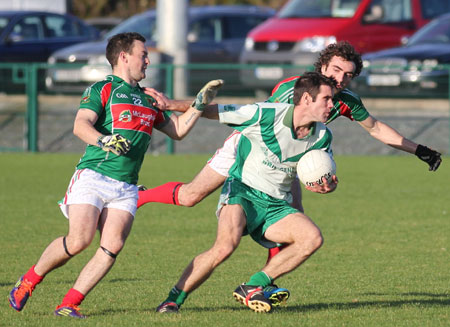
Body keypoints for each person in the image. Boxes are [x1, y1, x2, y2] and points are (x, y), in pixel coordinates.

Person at [137, 41, 442, 305]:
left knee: (298, 219)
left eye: (349, 74)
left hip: (290, 159)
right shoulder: (295, 91)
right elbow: (251, 118)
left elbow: (375, 127)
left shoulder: (343, 103)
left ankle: (259, 285)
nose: (342, 78)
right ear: (323, 66)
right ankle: (142, 196)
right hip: (249, 148)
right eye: (337, 70)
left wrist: (418, 149)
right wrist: (172, 105)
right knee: (192, 197)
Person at [7, 32, 223, 319]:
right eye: (142, 54)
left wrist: (198, 105)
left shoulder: (148, 97)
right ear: (124, 57)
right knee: (79, 240)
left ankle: (69, 303)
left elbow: (178, 131)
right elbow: (81, 125)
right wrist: (103, 140)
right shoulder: (103, 89)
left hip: (126, 187)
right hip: (93, 175)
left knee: (112, 247)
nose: (147, 60)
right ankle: (29, 280)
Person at [156, 72, 336, 313]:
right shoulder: (267, 114)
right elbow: (216, 111)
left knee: (312, 238)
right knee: (224, 247)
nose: (332, 105)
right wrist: (171, 105)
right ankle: (172, 300)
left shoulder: (323, 136)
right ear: (306, 99)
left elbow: (318, 171)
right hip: (242, 192)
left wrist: (326, 184)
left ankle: (254, 285)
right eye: (326, 99)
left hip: (276, 204)